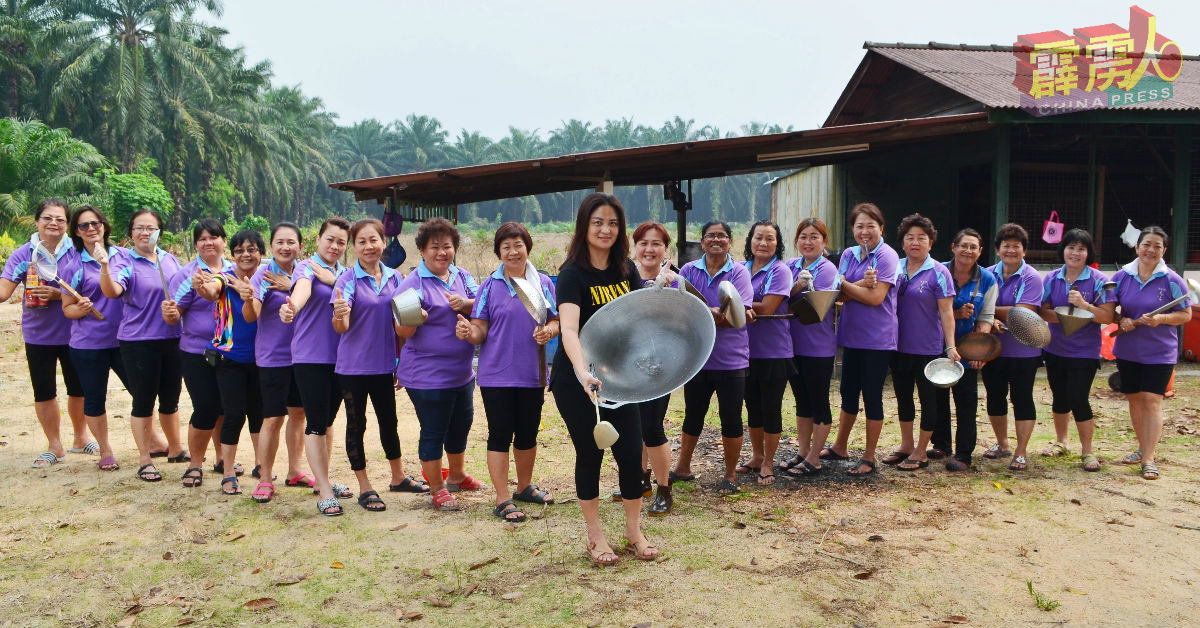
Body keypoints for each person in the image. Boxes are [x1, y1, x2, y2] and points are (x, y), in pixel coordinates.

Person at [552, 192, 663, 566]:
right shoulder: (571, 274)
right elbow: (568, 330)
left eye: (613, 223)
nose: (606, 229)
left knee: (631, 454)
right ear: (585, 225)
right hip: (577, 380)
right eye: (598, 222)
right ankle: (595, 537)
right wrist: (583, 372)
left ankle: (633, 534)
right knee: (591, 453)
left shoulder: (626, 270)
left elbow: (636, 323)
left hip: (619, 381)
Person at [457, 221, 559, 523]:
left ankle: (524, 487)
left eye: (518, 245)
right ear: (499, 252)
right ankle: (502, 498)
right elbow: (480, 331)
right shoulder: (490, 286)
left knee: (527, 432)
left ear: (527, 247)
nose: (513, 251)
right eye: (506, 247)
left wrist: (549, 332)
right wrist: (467, 332)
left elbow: (555, 320)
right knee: (500, 434)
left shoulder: (543, 283)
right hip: (496, 374)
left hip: (533, 373)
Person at [333, 218, 424, 512]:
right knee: (357, 425)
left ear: (384, 243)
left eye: (374, 240)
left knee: (390, 422)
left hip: (385, 365)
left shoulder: (396, 279)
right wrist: (339, 314)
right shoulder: (347, 280)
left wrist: (402, 361)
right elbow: (341, 326)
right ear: (354, 247)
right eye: (361, 241)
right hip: (352, 368)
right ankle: (364, 486)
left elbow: (404, 324)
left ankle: (398, 477)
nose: (369, 246)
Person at [396, 217, 482, 511]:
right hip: (427, 376)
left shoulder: (461, 276)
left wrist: (465, 304)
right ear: (422, 250)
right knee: (433, 429)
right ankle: (437, 488)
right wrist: (415, 318)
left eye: (447, 246)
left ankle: (457, 475)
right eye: (435, 247)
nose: (442, 252)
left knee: (461, 425)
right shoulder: (413, 283)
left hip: (461, 373)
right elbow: (402, 332)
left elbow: (480, 304)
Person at [0, 198, 90, 469]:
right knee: (44, 391)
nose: (54, 223)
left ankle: (81, 438)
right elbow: (4, 292)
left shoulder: (77, 251)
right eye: (48, 218)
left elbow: (93, 288)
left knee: (79, 389)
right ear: (37, 221)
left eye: (60, 219)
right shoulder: (23, 254)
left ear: (68, 224)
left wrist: (57, 294)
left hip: (75, 332)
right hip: (38, 334)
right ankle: (54, 445)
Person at [97, 209, 186, 481]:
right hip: (139, 342)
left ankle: (176, 449)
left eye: (150, 228)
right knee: (144, 400)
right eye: (139, 228)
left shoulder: (169, 260)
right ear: (131, 233)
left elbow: (184, 295)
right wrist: (104, 266)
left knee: (171, 399)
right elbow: (112, 291)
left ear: (160, 231)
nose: (144, 233)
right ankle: (145, 458)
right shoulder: (125, 262)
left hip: (172, 338)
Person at [278, 217, 357, 516]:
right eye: (330, 240)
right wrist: (292, 307)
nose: (335, 246)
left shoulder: (347, 274)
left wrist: (334, 280)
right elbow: (302, 290)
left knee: (326, 422)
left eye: (341, 243)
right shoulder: (307, 267)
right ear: (318, 240)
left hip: (342, 358)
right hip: (311, 357)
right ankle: (323, 489)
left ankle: (323, 478)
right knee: (314, 423)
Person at [674, 220, 754, 494]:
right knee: (692, 415)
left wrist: (702, 312)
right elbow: (681, 312)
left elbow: (737, 318)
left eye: (722, 236)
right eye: (710, 236)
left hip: (731, 359)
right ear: (703, 242)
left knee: (730, 417)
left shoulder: (740, 273)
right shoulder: (688, 271)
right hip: (697, 358)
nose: (716, 240)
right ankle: (682, 468)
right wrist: (714, 312)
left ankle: (730, 475)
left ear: (730, 242)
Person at [822, 203, 899, 476]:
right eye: (859, 226)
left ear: (881, 228)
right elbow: (839, 296)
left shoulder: (888, 256)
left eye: (870, 226)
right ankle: (840, 445)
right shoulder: (848, 255)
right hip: (851, 334)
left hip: (878, 339)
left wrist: (846, 284)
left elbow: (875, 298)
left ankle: (869, 456)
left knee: (872, 396)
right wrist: (857, 286)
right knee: (848, 393)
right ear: (852, 229)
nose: (864, 231)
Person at [1111, 226, 1191, 480]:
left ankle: (1149, 457)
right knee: (1135, 400)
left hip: (1160, 352)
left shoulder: (1172, 280)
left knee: (1152, 400)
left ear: (1164, 250)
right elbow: (1109, 308)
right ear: (1137, 247)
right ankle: (1141, 446)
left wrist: (1162, 318)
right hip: (1128, 349)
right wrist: (1120, 319)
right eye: (1146, 244)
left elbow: (1186, 313)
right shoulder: (1122, 276)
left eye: (1157, 246)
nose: (1151, 250)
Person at [611, 221, 678, 515]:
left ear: (666, 249)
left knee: (652, 426)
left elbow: (680, 325)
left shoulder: (675, 282)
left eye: (656, 244)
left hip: (659, 364)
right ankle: (641, 480)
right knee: (633, 426)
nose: (649, 249)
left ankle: (665, 489)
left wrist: (663, 292)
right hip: (627, 362)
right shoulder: (623, 277)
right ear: (634, 247)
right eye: (643, 243)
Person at [243, 222, 311, 500]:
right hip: (273, 358)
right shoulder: (263, 274)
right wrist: (249, 298)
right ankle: (265, 477)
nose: (285, 247)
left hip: (305, 356)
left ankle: (294, 470)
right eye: (280, 242)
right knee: (272, 418)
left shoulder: (307, 271)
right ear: (271, 246)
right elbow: (252, 314)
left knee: (298, 414)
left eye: (291, 242)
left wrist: (291, 285)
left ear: (300, 246)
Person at [193, 230, 264, 497]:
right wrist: (201, 286)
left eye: (252, 249)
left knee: (260, 414)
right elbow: (211, 291)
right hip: (229, 358)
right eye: (239, 250)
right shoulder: (224, 278)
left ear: (260, 253)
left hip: (260, 358)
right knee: (234, 414)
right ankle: (228, 473)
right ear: (232, 254)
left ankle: (261, 465)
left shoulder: (266, 278)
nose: (246, 254)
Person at [1038, 229, 1115, 472]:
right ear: (1063, 250)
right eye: (1071, 247)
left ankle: (1088, 450)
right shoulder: (1051, 278)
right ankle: (1062, 442)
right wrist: (1066, 316)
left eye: (1081, 248)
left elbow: (1107, 316)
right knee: (1059, 396)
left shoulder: (1100, 280)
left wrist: (1083, 305)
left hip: (1084, 351)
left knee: (1079, 398)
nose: (1075, 252)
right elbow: (1043, 310)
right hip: (1055, 348)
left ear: (1087, 253)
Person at [58, 205, 128, 471]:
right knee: (95, 397)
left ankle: (154, 440)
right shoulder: (72, 265)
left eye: (95, 223)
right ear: (76, 232)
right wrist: (81, 308)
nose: (91, 229)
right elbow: (67, 309)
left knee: (142, 391)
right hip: (89, 344)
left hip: (125, 341)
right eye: (84, 225)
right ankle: (105, 450)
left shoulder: (123, 256)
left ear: (105, 226)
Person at [888, 214, 960, 471]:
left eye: (921, 238)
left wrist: (950, 345)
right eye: (910, 238)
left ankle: (921, 451)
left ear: (931, 242)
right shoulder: (893, 267)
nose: (915, 243)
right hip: (897, 346)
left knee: (928, 400)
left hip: (928, 348)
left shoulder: (939, 272)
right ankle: (906, 445)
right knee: (903, 397)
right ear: (902, 242)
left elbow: (947, 312)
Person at [164, 219, 233, 488]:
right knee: (205, 406)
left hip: (228, 351)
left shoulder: (235, 271)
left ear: (224, 241)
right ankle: (195, 464)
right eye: (202, 238)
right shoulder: (186, 275)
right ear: (196, 245)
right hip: (196, 352)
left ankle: (221, 459)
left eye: (214, 237)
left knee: (226, 408)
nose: (208, 242)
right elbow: (174, 315)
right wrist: (170, 314)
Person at [932, 228, 997, 471]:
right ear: (953, 247)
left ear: (980, 252)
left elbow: (986, 316)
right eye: (963, 246)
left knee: (966, 400)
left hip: (966, 349)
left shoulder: (987, 279)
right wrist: (956, 313)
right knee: (937, 398)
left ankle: (963, 453)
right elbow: (927, 310)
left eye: (973, 247)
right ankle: (941, 444)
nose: (968, 251)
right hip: (935, 345)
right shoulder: (938, 272)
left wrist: (980, 350)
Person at [737, 220, 795, 484]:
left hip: (773, 351)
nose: (763, 243)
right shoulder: (739, 269)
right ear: (750, 240)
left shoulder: (780, 271)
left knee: (770, 407)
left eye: (770, 239)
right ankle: (757, 455)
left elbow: (769, 307)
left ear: (777, 244)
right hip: (744, 350)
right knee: (752, 406)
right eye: (759, 237)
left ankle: (769, 462)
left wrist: (737, 305)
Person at [982, 223, 1044, 471]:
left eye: (1016, 246)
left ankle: (1021, 451)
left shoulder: (1031, 277)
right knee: (994, 395)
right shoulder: (986, 274)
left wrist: (988, 310)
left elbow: (1023, 313)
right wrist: (991, 318)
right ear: (997, 249)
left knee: (1022, 397)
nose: (1010, 250)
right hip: (992, 348)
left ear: (1024, 251)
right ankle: (1002, 443)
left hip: (1024, 350)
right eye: (1005, 245)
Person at [781, 218, 838, 477]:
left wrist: (792, 293)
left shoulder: (826, 269)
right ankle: (803, 451)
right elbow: (782, 299)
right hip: (793, 344)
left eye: (814, 236)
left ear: (824, 241)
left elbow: (807, 307)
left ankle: (815, 457)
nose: (808, 241)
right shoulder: (790, 266)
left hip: (818, 346)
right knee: (802, 401)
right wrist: (794, 290)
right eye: (803, 236)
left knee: (818, 401)